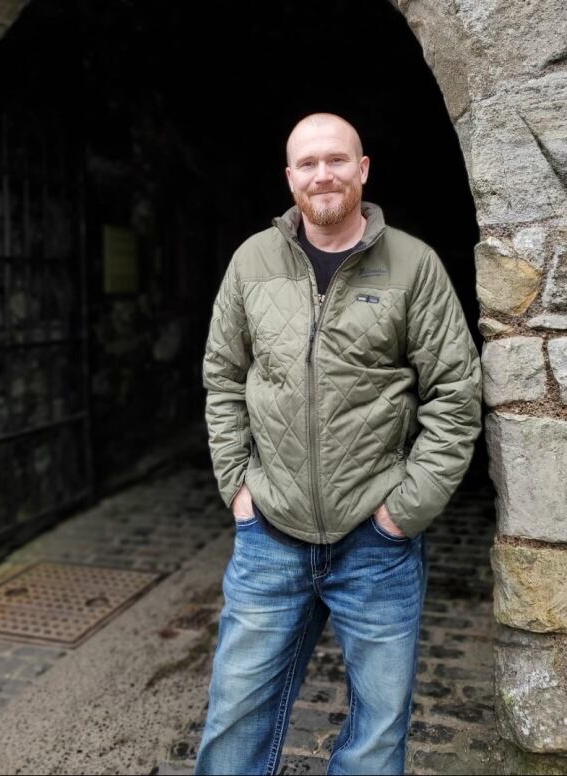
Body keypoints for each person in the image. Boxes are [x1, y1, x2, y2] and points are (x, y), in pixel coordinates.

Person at [196, 112, 482, 775]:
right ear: (290, 177)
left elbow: (455, 393)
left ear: (362, 169)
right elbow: (223, 379)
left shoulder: (413, 265)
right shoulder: (252, 261)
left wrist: (401, 513)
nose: (322, 174)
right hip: (270, 532)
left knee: (377, 736)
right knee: (234, 718)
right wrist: (238, 489)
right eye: (307, 163)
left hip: (375, 544)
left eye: (336, 159)